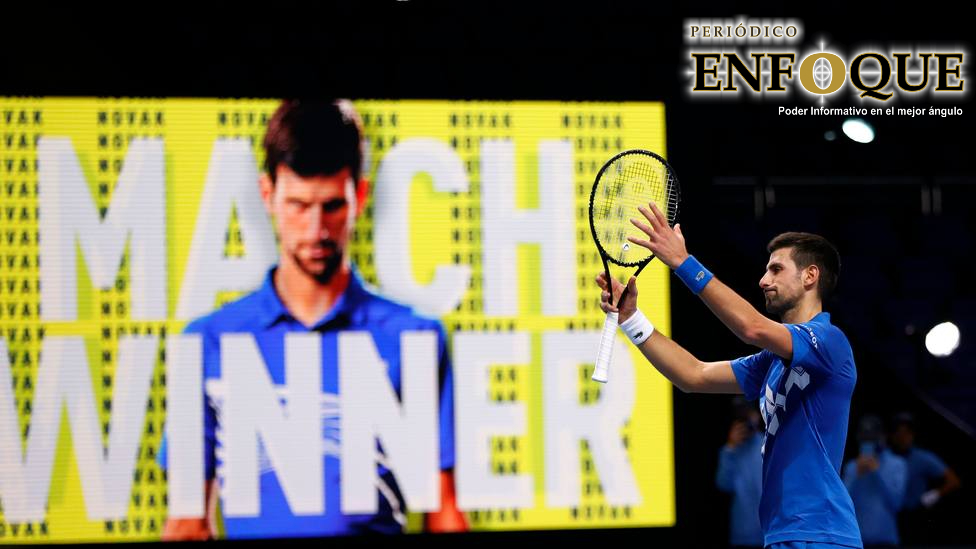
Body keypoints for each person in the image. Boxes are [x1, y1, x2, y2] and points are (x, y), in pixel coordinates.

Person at [160, 99, 467, 539]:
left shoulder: (414, 338)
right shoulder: (208, 344)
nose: (316, 230)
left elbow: (444, 513)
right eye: (298, 206)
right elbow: (187, 524)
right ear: (268, 195)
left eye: (331, 207)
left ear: (358, 196)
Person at [597, 205, 861, 549]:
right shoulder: (771, 362)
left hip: (821, 532)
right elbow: (694, 375)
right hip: (783, 533)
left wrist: (683, 263)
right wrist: (631, 319)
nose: (763, 280)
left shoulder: (829, 342)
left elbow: (751, 327)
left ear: (810, 276)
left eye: (776, 269)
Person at [888, 411, 961, 543]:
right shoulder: (884, 459)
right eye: (898, 432)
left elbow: (953, 480)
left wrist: (934, 494)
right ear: (892, 435)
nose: (903, 437)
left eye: (907, 432)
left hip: (915, 516)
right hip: (890, 517)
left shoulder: (923, 458)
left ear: (912, 434)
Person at [842, 414, 907, 548]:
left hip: (886, 543)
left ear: (882, 438)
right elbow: (841, 505)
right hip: (856, 542)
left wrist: (877, 472)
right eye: (865, 439)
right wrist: (855, 476)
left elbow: (897, 504)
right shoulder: (852, 467)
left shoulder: (897, 464)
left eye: (872, 439)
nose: (868, 443)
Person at [715, 396, 764, 549]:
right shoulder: (730, 451)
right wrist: (730, 448)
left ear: (756, 415)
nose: (745, 422)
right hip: (742, 534)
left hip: (769, 533)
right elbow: (723, 484)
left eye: (747, 415)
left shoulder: (769, 444)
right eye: (740, 417)